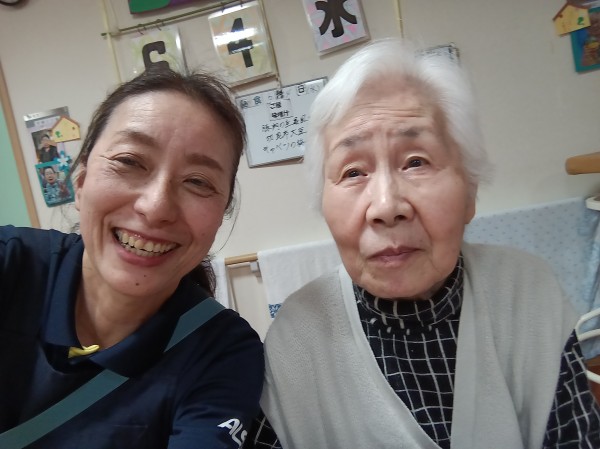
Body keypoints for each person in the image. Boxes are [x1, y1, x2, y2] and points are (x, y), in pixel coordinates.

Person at [245, 38, 600, 449]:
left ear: (470, 194)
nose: (386, 206)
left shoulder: (528, 295)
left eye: (416, 162)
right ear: (322, 202)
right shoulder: (296, 339)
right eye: (353, 172)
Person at [0, 67, 264, 448]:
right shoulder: (11, 263)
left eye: (197, 181)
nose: (156, 207)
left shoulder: (221, 352)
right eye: (129, 161)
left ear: (220, 216)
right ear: (80, 181)